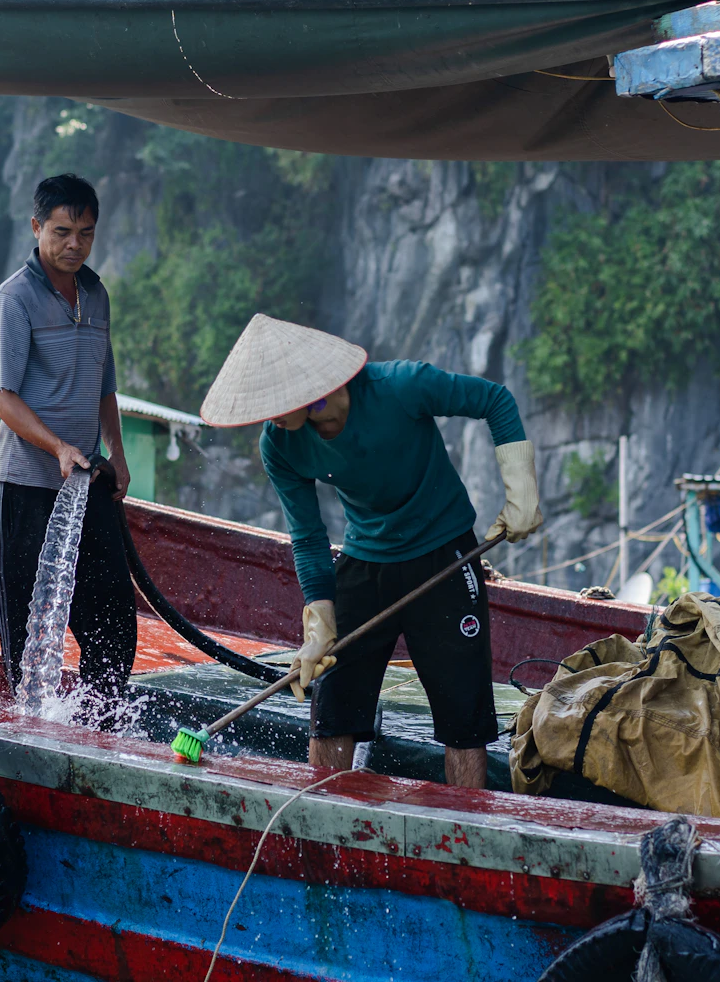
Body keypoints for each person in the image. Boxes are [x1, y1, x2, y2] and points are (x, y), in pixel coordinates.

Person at [199, 314, 542, 788]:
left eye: (275, 403)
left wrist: (520, 488)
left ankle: (463, 837)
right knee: (332, 708)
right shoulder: (278, 444)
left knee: (465, 718)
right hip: (365, 559)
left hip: (443, 552)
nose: (269, 416)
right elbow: (308, 535)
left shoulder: (400, 386)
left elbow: (495, 400)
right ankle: (319, 822)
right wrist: (319, 620)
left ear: (309, 386)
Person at [0, 173, 136, 703]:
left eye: (86, 233)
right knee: (27, 633)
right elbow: (2, 398)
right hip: (28, 486)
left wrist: (116, 452)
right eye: (63, 231)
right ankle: (33, 731)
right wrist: (58, 448)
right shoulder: (13, 301)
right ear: (37, 227)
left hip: (87, 479)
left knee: (114, 618)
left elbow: (105, 385)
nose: (75, 244)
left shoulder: (96, 293)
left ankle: (106, 726)